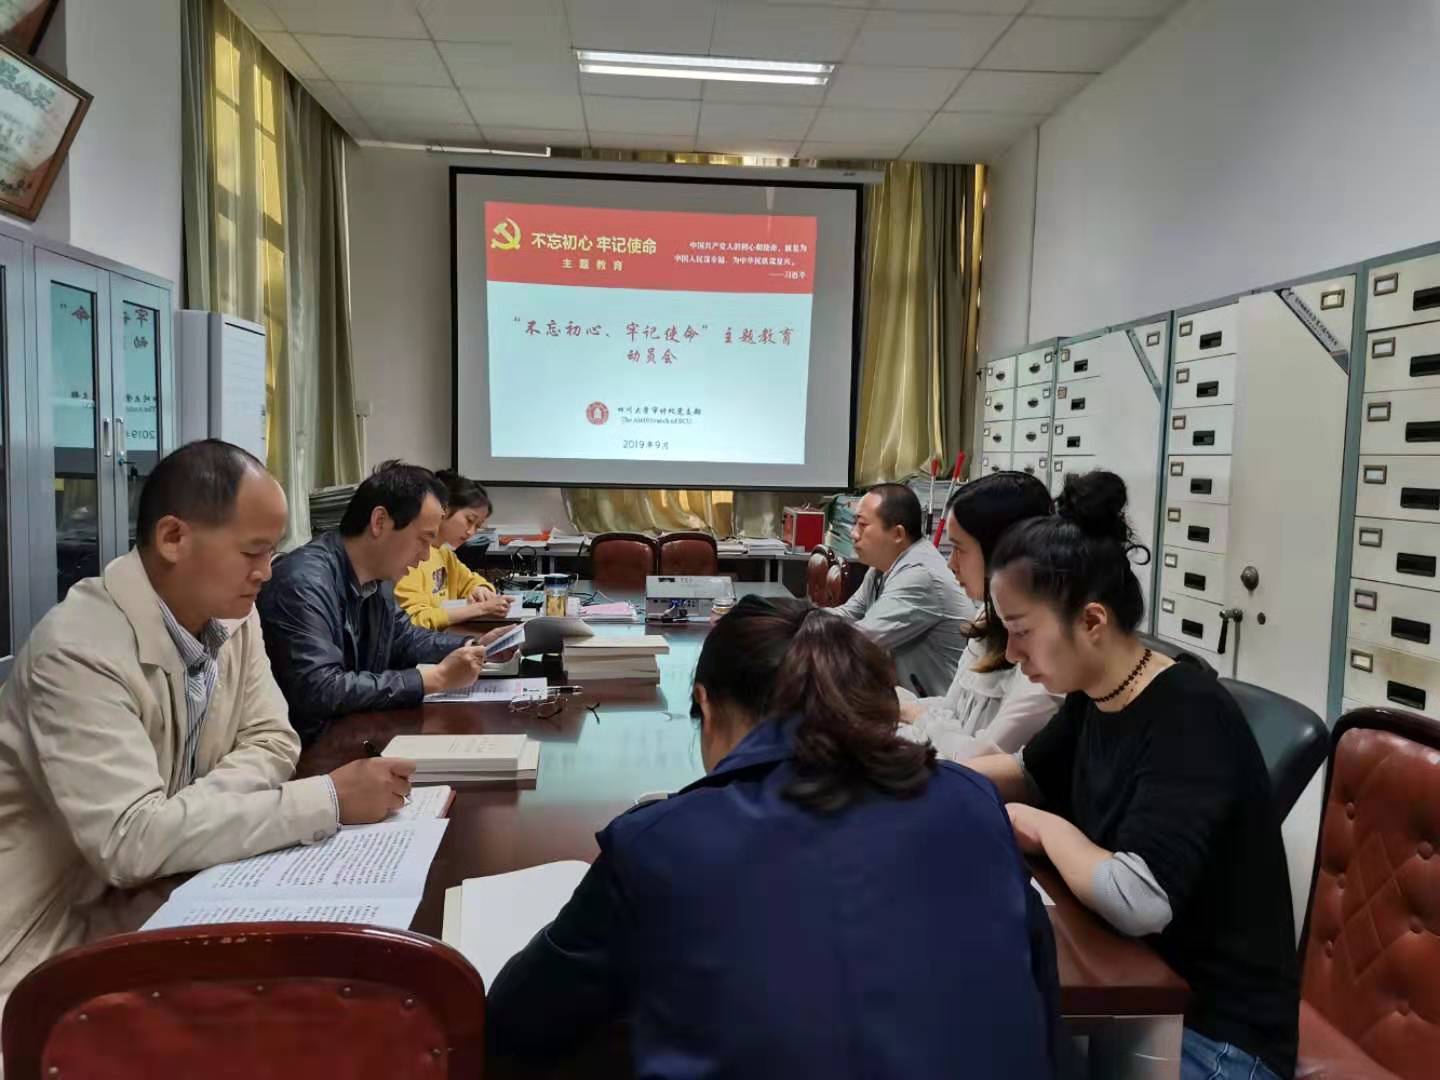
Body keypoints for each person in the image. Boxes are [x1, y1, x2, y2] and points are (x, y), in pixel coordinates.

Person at [486, 596, 1060, 1078]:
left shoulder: (659, 842)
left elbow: (518, 1022)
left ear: (705, 704)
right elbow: (1036, 986)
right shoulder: (971, 800)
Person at [0, 441, 414, 1013]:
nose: (266, 572)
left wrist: (180, 818)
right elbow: (128, 842)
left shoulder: (230, 613)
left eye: (272, 551)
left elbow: (275, 739)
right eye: (252, 552)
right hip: (44, 939)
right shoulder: (78, 650)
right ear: (174, 537)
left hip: (164, 889)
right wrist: (325, 800)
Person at [966, 471, 1299, 1080]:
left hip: (1214, 1037)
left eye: (1021, 632)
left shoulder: (1188, 714)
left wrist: (1044, 827)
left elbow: (1138, 899)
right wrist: (915, 775)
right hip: (1139, 994)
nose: (1012, 655)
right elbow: (1025, 773)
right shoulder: (1098, 691)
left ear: (1092, 621)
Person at [258, 461, 512, 744]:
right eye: (424, 540)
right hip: (310, 750)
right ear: (380, 522)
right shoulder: (304, 582)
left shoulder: (377, 579)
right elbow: (320, 689)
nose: (426, 556)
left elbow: (403, 638)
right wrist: (433, 679)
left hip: (354, 734)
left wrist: (475, 645)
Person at [897, 471, 1062, 761]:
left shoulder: (1050, 654)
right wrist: (899, 707)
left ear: (1000, 551)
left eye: (959, 549)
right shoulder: (988, 615)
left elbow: (981, 758)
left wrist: (916, 714)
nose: (951, 564)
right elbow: (955, 710)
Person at [836, 482, 974, 698]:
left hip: (936, 707)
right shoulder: (881, 569)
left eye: (862, 525)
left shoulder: (921, 576)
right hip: (906, 700)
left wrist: (801, 634)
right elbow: (846, 615)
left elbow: (861, 641)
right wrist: (798, 619)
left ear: (897, 533)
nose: (853, 534)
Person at [394, 469, 509, 629]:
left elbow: (470, 580)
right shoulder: (408, 557)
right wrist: (479, 609)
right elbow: (414, 620)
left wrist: (481, 589)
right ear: (444, 509)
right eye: (469, 520)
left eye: (477, 526)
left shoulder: (444, 553)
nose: (471, 532)